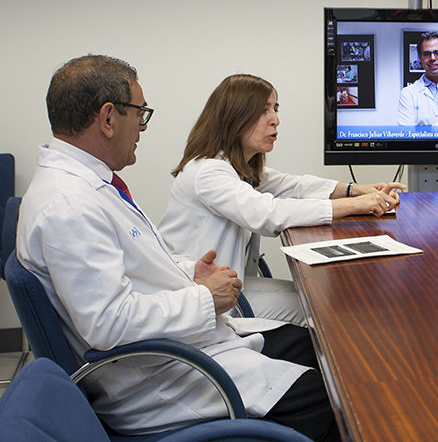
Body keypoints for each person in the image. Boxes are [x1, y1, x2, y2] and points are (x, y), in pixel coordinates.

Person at [16, 55, 340, 440]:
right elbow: (108, 324)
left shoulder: (90, 187)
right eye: (140, 113)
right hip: (164, 379)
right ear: (107, 118)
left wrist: (190, 273)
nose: (142, 126)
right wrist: (205, 298)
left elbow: (138, 268)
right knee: (339, 398)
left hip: (185, 344)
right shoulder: (68, 205)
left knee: (322, 354)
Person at [160, 74, 404, 325]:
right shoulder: (208, 171)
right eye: (263, 111)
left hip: (230, 284)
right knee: (321, 311)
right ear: (234, 118)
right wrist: (355, 205)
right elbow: (268, 213)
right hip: (198, 298)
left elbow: (292, 186)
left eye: (275, 109)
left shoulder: (235, 167)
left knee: (314, 297)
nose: (275, 120)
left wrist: (356, 190)